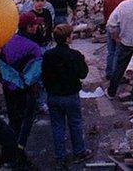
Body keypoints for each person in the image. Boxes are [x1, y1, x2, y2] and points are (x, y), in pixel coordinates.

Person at [42, 24, 93, 167]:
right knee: (75, 123)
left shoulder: (48, 55)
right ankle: (79, 151)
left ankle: (60, 157)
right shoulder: (75, 55)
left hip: (53, 95)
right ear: (67, 38)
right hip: (71, 95)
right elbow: (83, 74)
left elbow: (44, 75)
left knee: (57, 126)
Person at [0, 12, 43, 150]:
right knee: (25, 122)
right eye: (35, 25)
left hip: (8, 87)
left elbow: (0, 64)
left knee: (13, 119)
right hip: (25, 90)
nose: (37, 27)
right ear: (29, 27)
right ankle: (18, 151)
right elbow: (34, 73)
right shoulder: (33, 47)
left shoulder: (7, 41)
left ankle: (9, 149)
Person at [102, 0, 133, 79]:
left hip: (109, 25)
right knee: (118, 52)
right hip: (120, 27)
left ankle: (109, 72)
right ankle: (115, 75)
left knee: (111, 51)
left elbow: (104, 10)